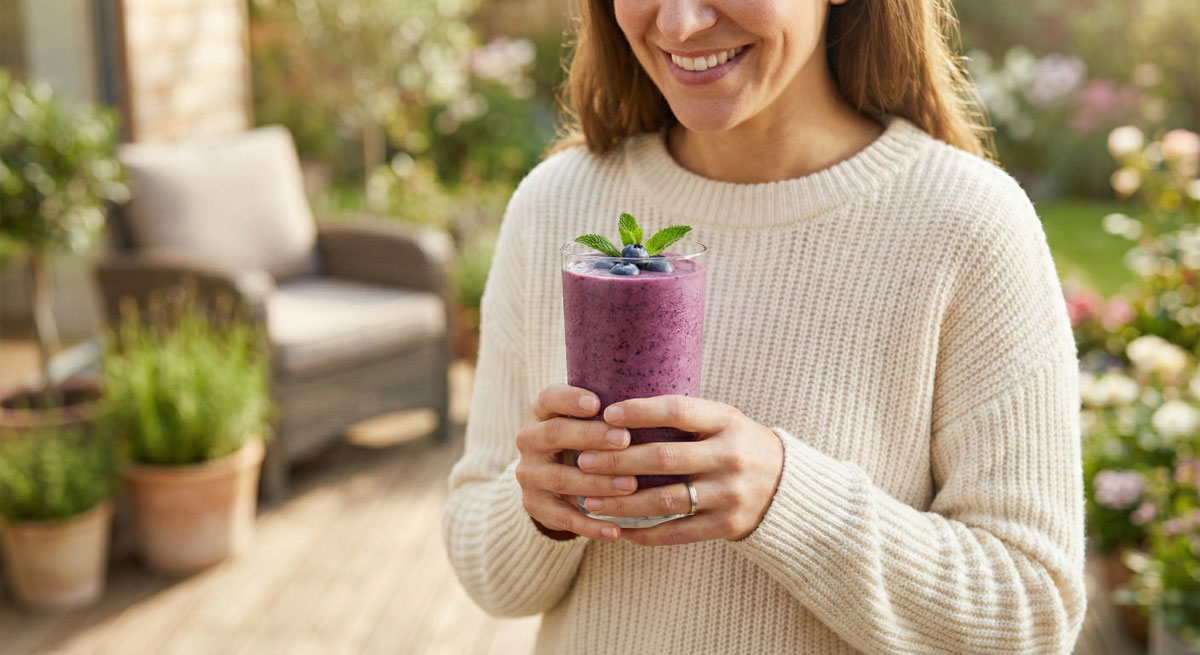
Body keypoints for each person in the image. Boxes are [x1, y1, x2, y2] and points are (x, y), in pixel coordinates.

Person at [444, 0, 1086, 652]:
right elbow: (488, 572)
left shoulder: (968, 223)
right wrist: (543, 508)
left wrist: (785, 497)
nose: (681, 23)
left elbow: (1031, 613)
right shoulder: (554, 205)